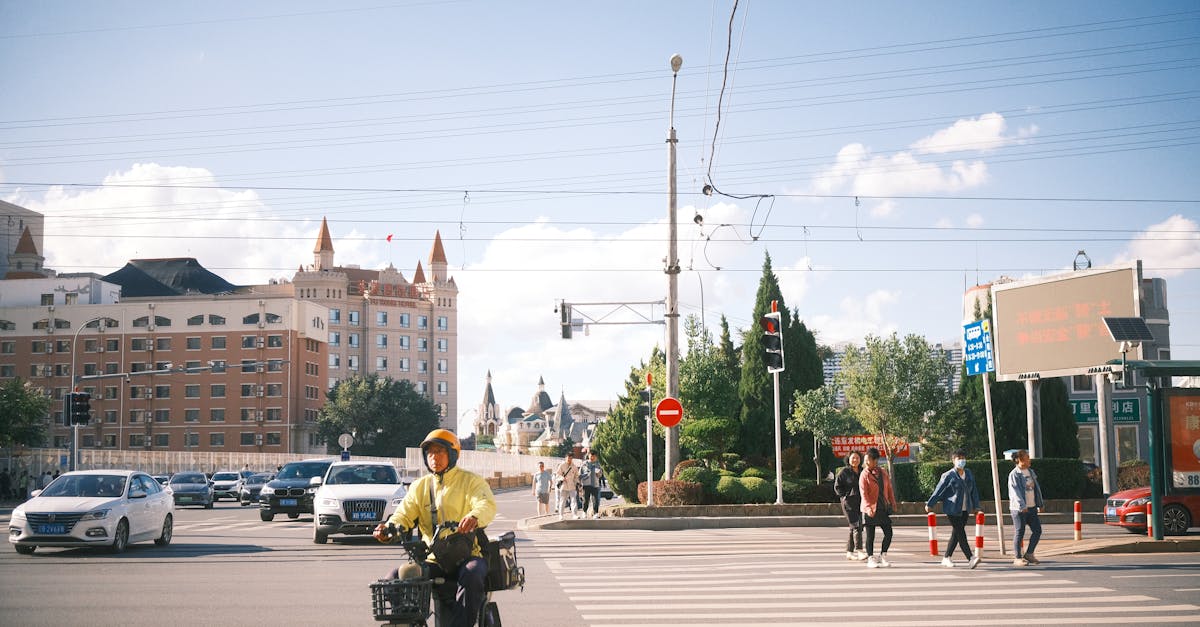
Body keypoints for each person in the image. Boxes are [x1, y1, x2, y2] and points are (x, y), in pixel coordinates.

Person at [373, 429, 496, 627]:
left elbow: (486, 503)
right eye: (429, 453)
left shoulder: (471, 481)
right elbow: (403, 514)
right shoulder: (419, 486)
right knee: (394, 578)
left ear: (453, 453)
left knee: (472, 573)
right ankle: (413, 621)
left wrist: (474, 516)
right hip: (433, 559)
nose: (434, 457)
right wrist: (389, 529)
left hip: (468, 556)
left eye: (440, 451)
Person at [926, 449, 983, 569]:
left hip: (965, 509)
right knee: (961, 533)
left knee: (956, 534)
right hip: (952, 509)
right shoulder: (948, 475)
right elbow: (939, 490)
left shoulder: (968, 473)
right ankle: (971, 558)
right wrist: (930, 504)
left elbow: (974, 491)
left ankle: (946, 557)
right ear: (953, 460)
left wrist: (976, 506)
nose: (961, 461)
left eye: (963, 458)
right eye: (959, 458)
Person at [859, 447, 896, 568]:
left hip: (882, 508)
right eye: (865, 460)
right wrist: (869, 508)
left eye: (868, 459)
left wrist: (893, 502)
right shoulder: (864, 475)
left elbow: (889, 488)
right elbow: (863, 493)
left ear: (875, 460)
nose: (866, 462)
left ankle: (883, 555)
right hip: (869, 509)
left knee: (889, 533)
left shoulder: (883, 472)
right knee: (870, 536)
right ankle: (870, 558)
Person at [1008, 449, 1044, 566]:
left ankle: (1029, 553)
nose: (1029, 459)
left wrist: (1040, 504)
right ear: (1020, 459)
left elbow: (1036, 489)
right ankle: (1017, 557)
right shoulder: (1015, 474)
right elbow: (1015, 492)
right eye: (1027, 457)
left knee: (1037, 531)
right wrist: (1022, 505)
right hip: (1019, 509)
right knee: (1020, 532)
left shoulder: (1030, 472)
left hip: (1032, 507)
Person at [834, 451, 866, 560]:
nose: (855, 460)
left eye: (857, 458)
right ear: (848, 459)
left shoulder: (863, 471)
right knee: (856, 525)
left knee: (854, 527)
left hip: (860, 503)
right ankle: (860, 550)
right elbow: (837, 487)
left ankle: (849, 551)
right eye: (853, 458)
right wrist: (844, 497)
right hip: (848, 503)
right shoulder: (844, 472)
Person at [579, 451, 604, 519]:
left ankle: (595, 513)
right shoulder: (584, 464)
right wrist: (580, 483)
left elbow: (600, 475)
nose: (592, 457)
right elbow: (580, 475)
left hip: (595, 484)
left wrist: (598, 473)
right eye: (591, 456)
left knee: (595, 500)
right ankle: (584, 512)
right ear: (588, 456)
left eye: (594, 456)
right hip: (586, 484)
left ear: (596, 457)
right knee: (586, 500)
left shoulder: (598, 464)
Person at [556, 454, 580, 520]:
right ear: (565, 458)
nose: (569, 460)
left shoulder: (574, 467)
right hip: (564, 486)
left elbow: (576, 476)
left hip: (572, 486)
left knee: (573, 501)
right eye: (568, 458)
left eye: (570, 458)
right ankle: (560, 515)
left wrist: (576, 483)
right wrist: (562, 478)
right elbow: (557, 474)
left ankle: (574, 515)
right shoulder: (562, 465)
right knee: (562, 501)